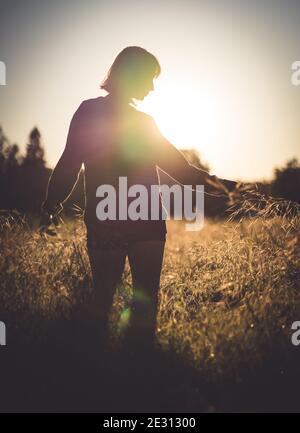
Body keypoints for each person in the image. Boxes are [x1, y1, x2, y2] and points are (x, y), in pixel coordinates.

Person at [42, 46, 238, 349]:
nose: (151, 86)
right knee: (130, 299)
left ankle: (123, 370)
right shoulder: (102, 114)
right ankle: (122, 369)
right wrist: (51, 205)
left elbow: (178, 169)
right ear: (129, 75)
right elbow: (70, 164)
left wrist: (225, 186)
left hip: (121, 215)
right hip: (130, 216)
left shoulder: (124, 118)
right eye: (148, 78)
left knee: (112, 299)